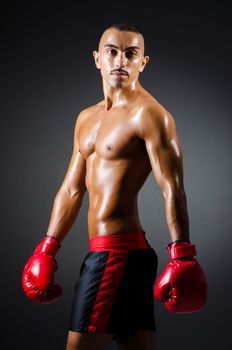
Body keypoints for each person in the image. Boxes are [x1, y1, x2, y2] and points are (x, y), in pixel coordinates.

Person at [22, 21, 207, 350]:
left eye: (130, 54)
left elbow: (172, 188)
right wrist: (47, 248)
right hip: (112, 254)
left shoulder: (150, 115)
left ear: (142, 62)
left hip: (117, 256)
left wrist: (183, 255)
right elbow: (71, 189)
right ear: (97, 58)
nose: (120, 61)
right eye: (112, 52)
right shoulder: (86, 118)